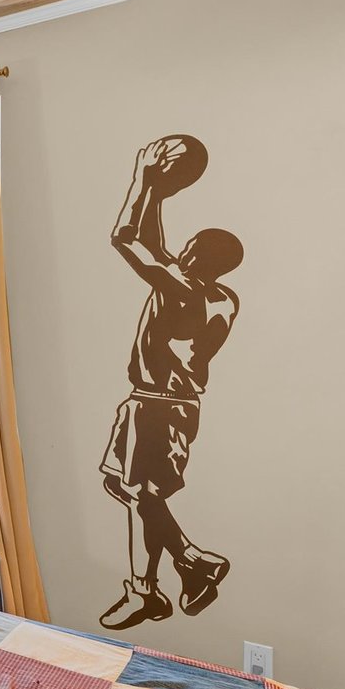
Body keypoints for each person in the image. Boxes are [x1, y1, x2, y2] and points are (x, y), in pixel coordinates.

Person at [99, 136, 243, 631]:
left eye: (190, 248)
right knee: (128, 488)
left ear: (199, 259)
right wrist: (158, 196)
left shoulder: (182, 289)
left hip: (158, 406)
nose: (180, 250)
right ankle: (186, 564)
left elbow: (126, 238)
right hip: (166, 403)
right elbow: (157, 249)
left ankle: (151, 588)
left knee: (141, 494)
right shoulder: (218, 297)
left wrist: (144, 176)